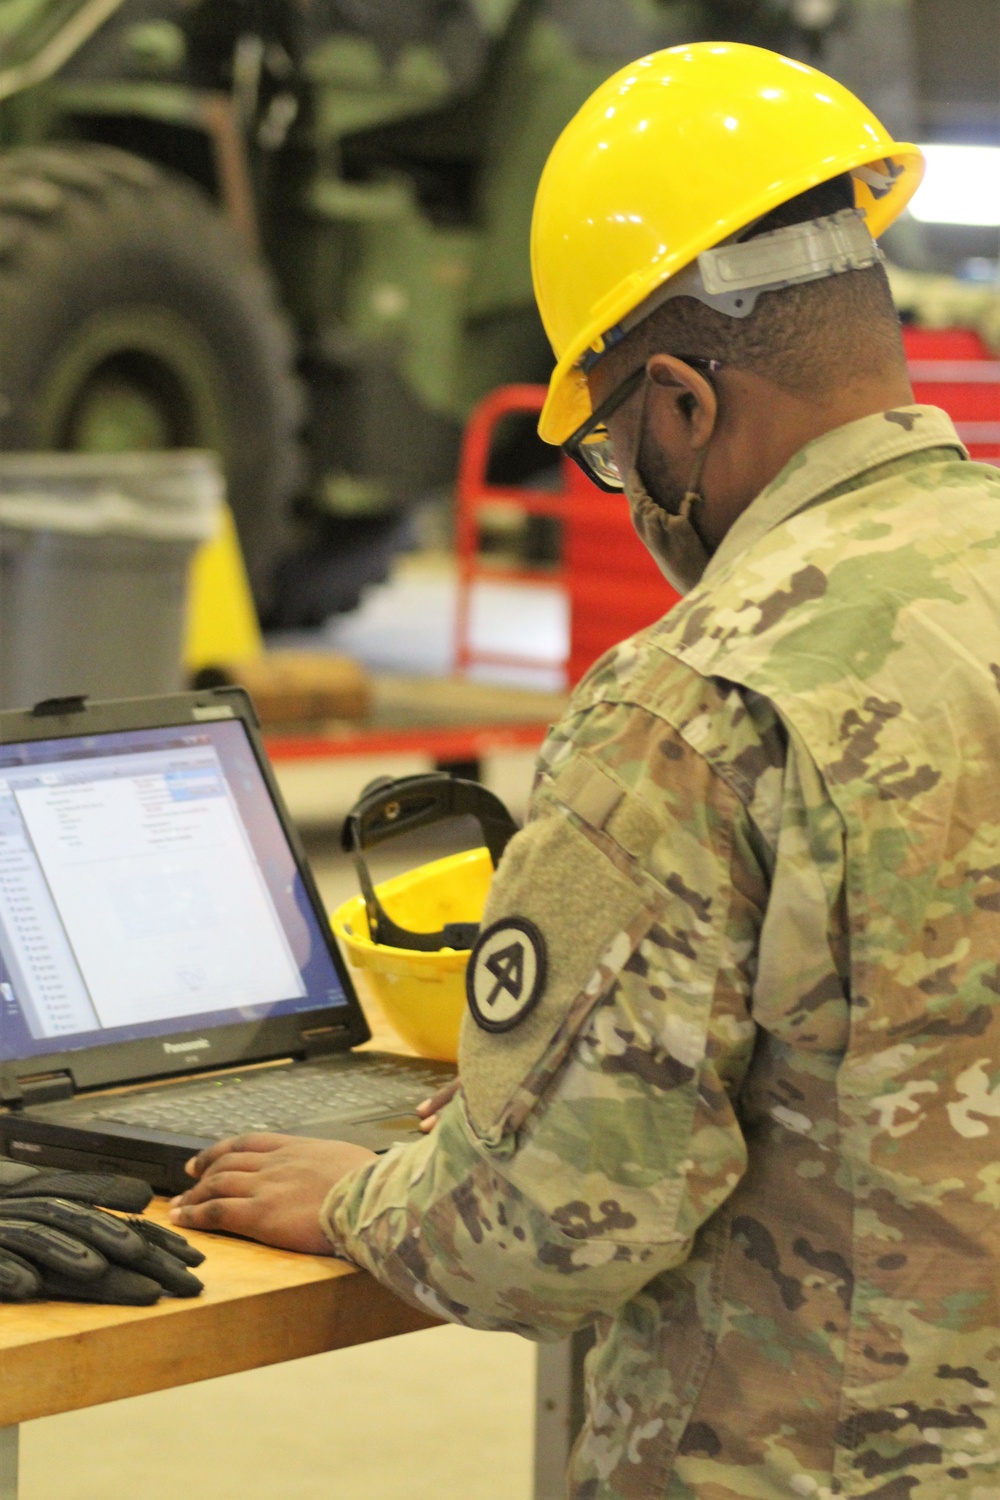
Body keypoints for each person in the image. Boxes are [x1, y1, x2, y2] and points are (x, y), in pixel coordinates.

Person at [170, 43, 1000, 1500]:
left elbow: (554, 1226)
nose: (628, 494)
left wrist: (376, 1197)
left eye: (615, 447)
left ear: (679, 402)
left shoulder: (700, 697)